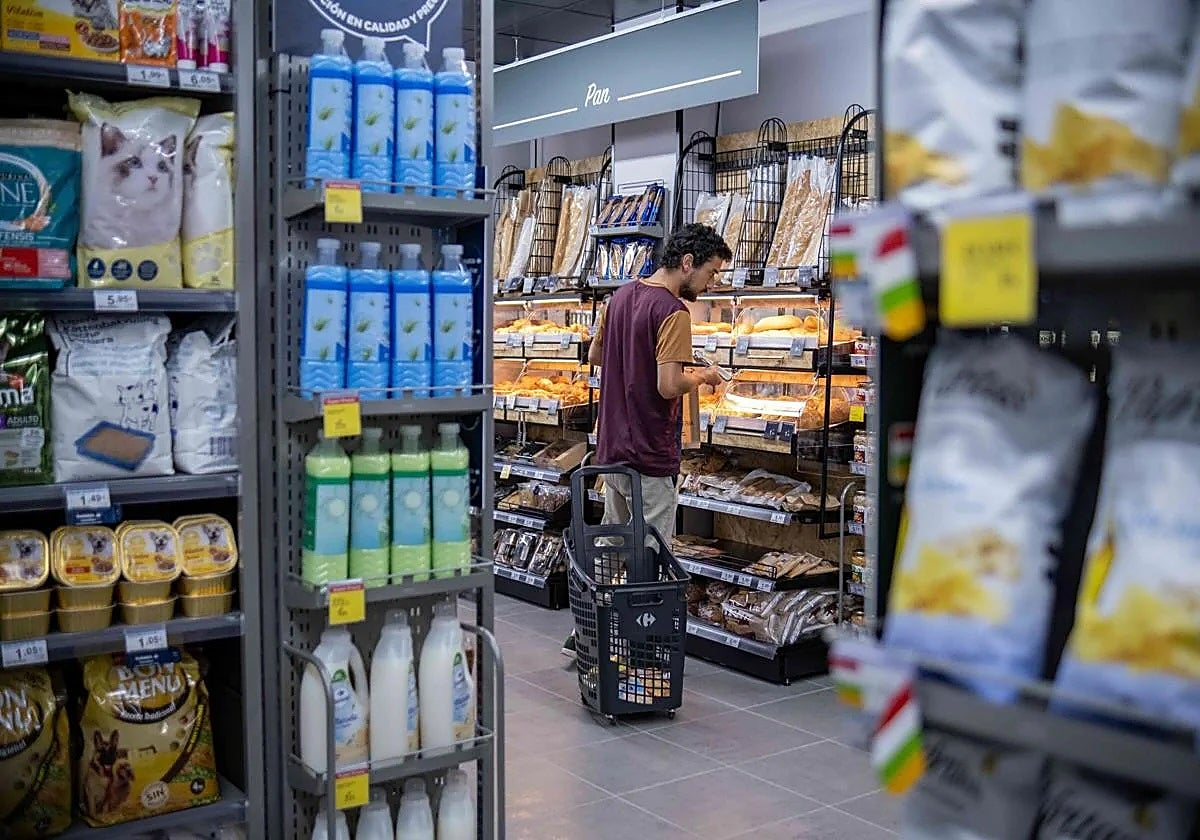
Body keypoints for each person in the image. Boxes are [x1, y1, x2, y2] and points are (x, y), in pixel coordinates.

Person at [563, 223, 732, 656]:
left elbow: (598, 355)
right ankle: (639, 647)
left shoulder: (620, 297)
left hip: (613, 448)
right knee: (653, 556)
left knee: (613, 551)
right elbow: (667, 386)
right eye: (710, 273)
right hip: (651, 454)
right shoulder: (673, 311)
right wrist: (704, 375)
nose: (710, 284)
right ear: (688, 262)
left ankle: (592, 633)